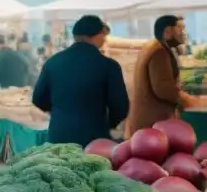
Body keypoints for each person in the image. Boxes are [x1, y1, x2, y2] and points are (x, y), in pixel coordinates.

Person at [31, 15, 129, 147]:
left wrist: (60, 112)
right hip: (94, 138)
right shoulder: (109, 66)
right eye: (103, 35)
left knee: (59, 167)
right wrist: (107, 123)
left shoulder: (53, 62)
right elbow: (121, 107)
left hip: (58, 136)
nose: (104, 40)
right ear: (98, 35)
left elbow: (38, 99)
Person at [127, 14, 192, 134]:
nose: (184, 33)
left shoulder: (155, 46)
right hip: (151, 124)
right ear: (168, 31)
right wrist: (187, 100)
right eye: (180, 28)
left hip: (147, 121)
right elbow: (163, 88)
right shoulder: (159, 52)